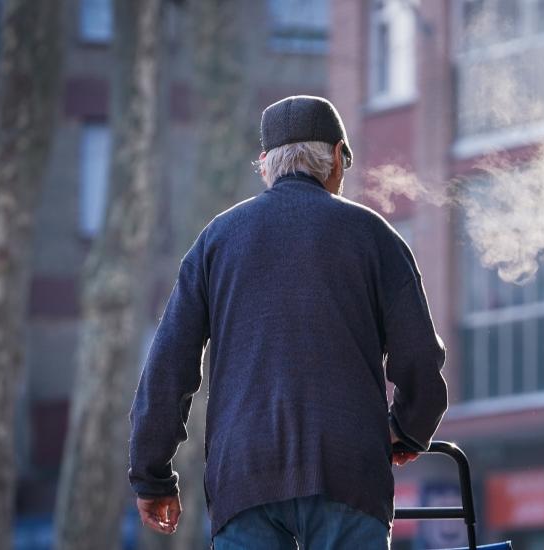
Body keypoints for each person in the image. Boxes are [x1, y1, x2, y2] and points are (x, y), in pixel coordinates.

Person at [128, 95, 448, 549]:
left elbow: (168, 367)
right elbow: (420, 355)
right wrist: (407, 427)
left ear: (266, 165)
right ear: (337, 157)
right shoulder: (374, 236)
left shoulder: (217, 241)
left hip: (244, 474)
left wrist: (152, 475)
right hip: (349, 470)